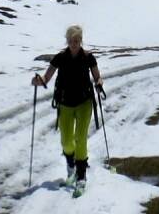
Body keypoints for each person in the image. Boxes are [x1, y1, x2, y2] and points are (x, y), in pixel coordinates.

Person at [32, 24, 104, 194]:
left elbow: (97, 76)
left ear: (81, 40)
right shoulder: (60, 57)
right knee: (66, 141)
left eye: (77, 40)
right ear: (67, 40)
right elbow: (46, 78)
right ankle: (70, 165)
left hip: (84, 103)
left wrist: (99, 83)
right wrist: (39, 81)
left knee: (80, 138)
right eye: (72, 40)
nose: (74, 43)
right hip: (64, 103)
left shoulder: (88, 57)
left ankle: (81, 176)